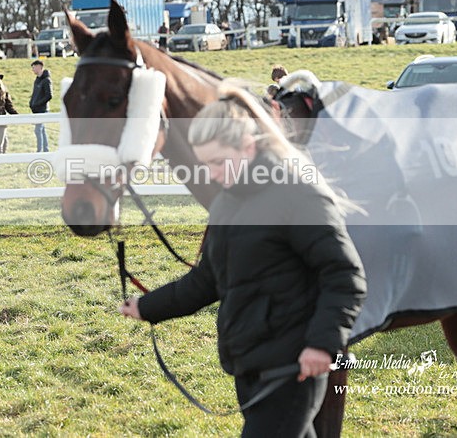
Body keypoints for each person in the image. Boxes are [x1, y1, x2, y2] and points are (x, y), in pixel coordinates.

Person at [119, 87, 366, 437]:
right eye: (207, 165)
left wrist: (321, 344)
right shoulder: (226, 203)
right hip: (250, 367)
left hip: (292, 368)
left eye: (220, 162)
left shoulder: (296, 192)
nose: (214, 174)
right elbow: (206, 280)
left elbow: (345, 275)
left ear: (249, 146)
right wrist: (147, 307)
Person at [29, 59, 52, 152]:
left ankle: (39, 151)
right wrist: (32, 103)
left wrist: (38, 104)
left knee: (38, 130)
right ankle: (45, 150)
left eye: (34, 67)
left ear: (39, 67)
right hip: (37, 110)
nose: (33, 70)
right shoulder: (37, 80)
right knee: (42, 130)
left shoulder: (46, 80)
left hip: (42, 110)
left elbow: (49, 95)